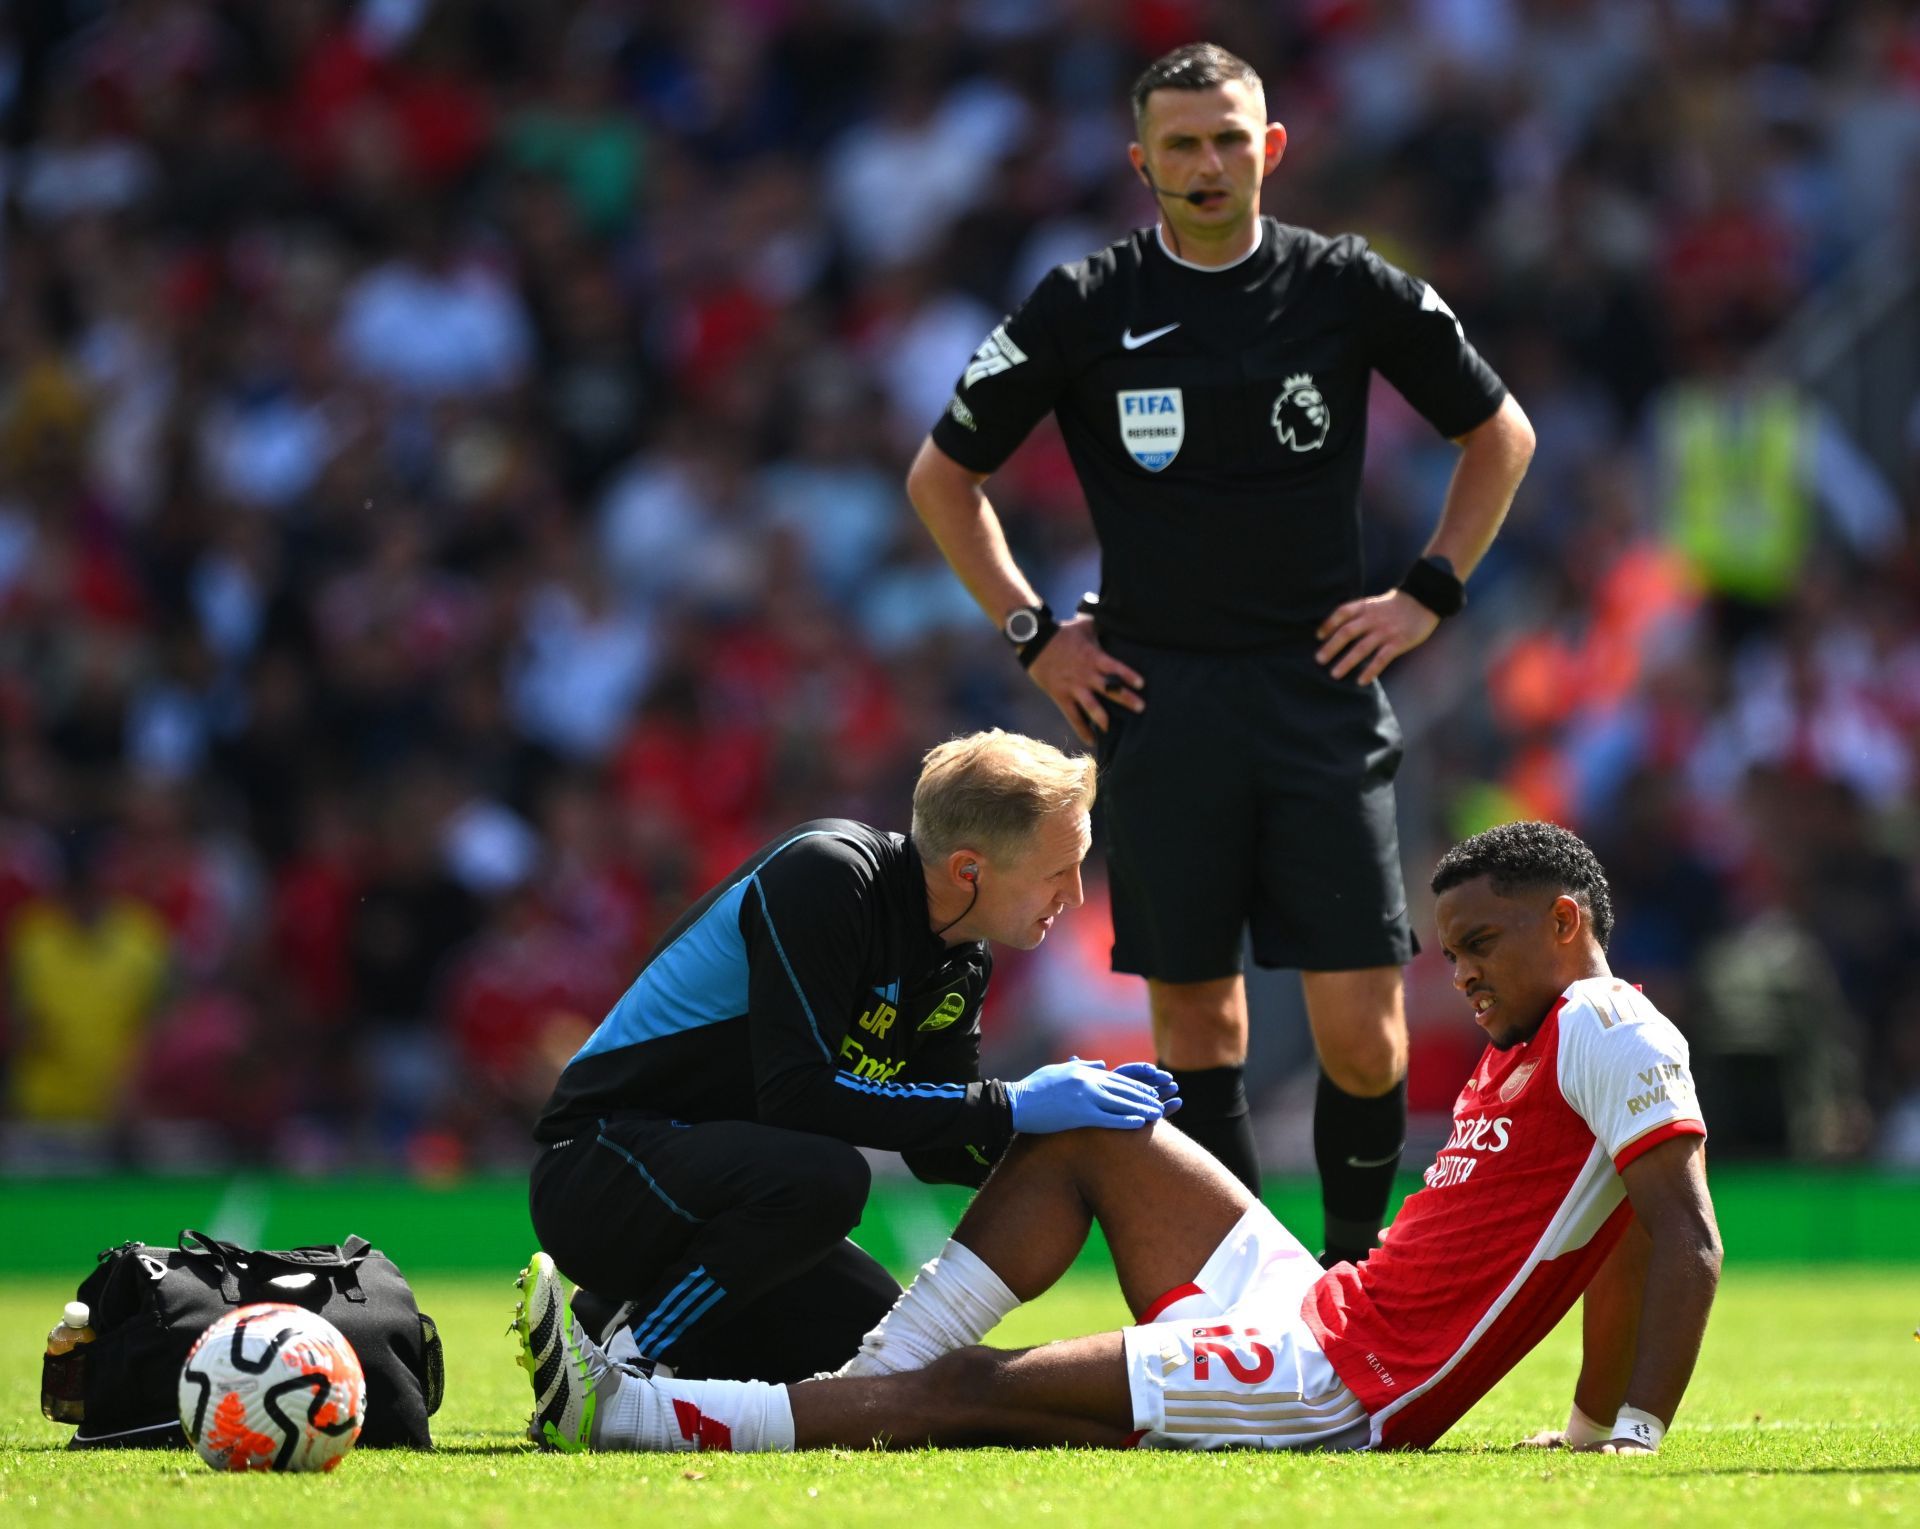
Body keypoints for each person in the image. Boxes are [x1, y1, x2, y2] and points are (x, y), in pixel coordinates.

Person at [904, 41, 1538, 1264]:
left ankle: (1358, 1279)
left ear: (1272, 149)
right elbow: (944, 478)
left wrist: (1425, 593)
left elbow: (1497, 434)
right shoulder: (1085, 304)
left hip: (1321, 690)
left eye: (1228, 139)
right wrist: (1037, 636)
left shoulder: (1344, 286)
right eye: (1181, 144)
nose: (1207, 164)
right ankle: (1254, 1297)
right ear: (1140, 161)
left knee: (1368, 1035)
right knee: (1197, 1024)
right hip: (1158, 695)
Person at [513, 820, 1721, 1457]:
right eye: (1449, 952)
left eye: (1483, 946)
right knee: (1094, 1124)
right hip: (1318, 1304)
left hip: (1340, 1384)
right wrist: (1580, 1422)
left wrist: (1627, 1439)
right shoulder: (1534, 1047)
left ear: (1568, 921)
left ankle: (629, 1414)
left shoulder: (1608, 1022)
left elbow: (1678, 1237)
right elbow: (1612, 1234)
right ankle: (861, 1381)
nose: (1459, 976)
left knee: (963, 1392)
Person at [516, 728, 1182, 1396]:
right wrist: (1013, 1102)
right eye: (1057, 870)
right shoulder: (829, 876)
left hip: (712, 1194)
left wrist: (1076, 1140)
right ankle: (620, 1367)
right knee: (828, 1178)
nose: (1076, 894)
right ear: (968, 870)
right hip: (596, 1169)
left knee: (876, 1349)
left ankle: (611, 1316)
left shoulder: (963, 956)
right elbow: (797, 1097)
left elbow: (941, 1146)